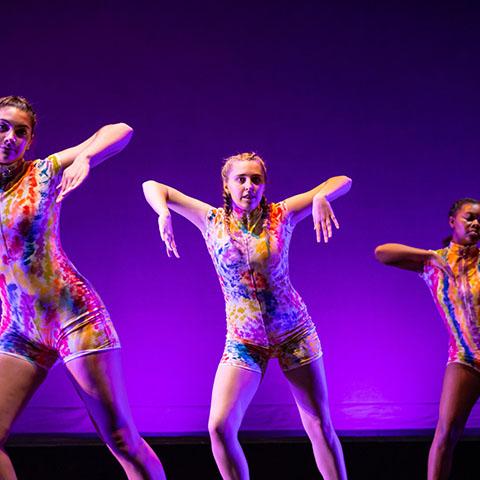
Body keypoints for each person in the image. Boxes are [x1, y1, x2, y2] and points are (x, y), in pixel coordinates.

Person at [143, 152, 351, 480]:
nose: (248, 186)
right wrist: (162, 213)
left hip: (293, 333)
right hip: (243, 339)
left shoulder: (281, 214)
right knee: (219, 426)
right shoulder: (210, 219)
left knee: (318, 424)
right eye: (241, 179)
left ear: (264, 185)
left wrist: (322, 194)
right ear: (226, 185)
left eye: (256, 179)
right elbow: (152, 185)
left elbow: (343, 180)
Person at [0, 96, 166, 480]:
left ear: (30, 141)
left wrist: (85, 157)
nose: (10, 138)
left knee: (121, 439)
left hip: (74, 318)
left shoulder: (41, 173)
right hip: (20, 329)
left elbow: (120, 131)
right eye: (2, 127)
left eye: (20, 132)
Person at [375, 198, 480, 480]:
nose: (476, 224)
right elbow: (382, 252)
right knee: (446, 432)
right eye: (469, 217)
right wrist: (429, 255)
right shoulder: (434, 264)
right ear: (452, 222)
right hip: (465, 359)